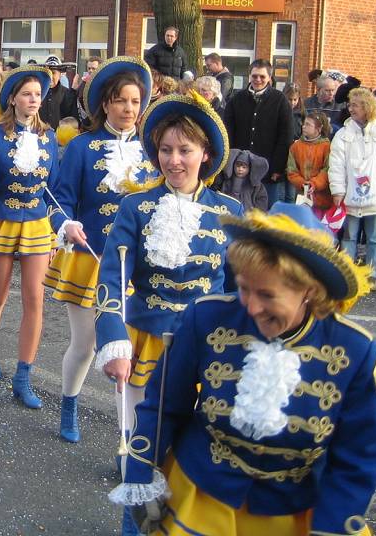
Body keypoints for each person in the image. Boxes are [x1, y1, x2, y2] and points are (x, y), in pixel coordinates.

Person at [115, 202, 376, 536]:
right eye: (244, 288)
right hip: (200, 495)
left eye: (268, 295)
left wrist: (333, 526)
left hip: (295, 511)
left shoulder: (355, 350)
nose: (252, 307)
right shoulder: (206, 317)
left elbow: (358, 456)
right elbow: (164, 405)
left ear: (309, 292)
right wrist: (141, 472)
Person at [96, 91, 243, 469]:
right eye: (165, 150)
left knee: (193, 454)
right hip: (146, 338)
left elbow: (239, 289)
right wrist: (113, 338)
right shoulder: (135, 207)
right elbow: (112, 275)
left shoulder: (230, 211)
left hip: (206, 343)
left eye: (184, 150)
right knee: (139, 455)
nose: (173, 160)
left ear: (205, 154)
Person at [44, 57, 155, 442]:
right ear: (105, 103)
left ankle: (128, 437)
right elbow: (59, 201)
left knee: (128, 350)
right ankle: (69, 403)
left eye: (135, 102)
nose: (129, 109)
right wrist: (66, 225)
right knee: (86, 344)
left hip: (136, 268)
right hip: (88, 259)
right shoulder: (81, 147)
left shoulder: (151, 150)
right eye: (121, 100)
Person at [0, 65, 59, 409]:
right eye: (27, 94)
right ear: (12, 99)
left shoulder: (50, 137)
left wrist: (56, 232)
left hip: (37, 223)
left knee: (35, 300)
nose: (34, 100)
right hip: (3, 222)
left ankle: (23, 377)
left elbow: (54, 190)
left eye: (38, 94)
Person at [328, 88, 376, 285]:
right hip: (350, 196)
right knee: (349, 236)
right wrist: (338, 191)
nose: (351, 109)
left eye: (355, 105)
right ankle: (348, 274)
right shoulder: (342, 134)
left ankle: (372, 274)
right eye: (350, 105)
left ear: (367, 107)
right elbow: (336, 165)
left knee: (374, 237)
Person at [223, 59, 294, 206]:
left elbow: (286, 136)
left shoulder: (280, 100)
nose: (258, 80)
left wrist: (278, 167)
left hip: (268, 170)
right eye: (254, 76)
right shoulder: (236, 99)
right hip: (240, 170)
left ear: (269, 77)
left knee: (266, 212)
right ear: (249, 76)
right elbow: (228, 132)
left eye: (262, 76)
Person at [286, 111, 333, 217]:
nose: (303, 126)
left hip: (322, 198)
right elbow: (291, 170)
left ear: (318, 129)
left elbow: (327, 169)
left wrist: (314, 184)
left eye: (308, 124)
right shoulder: (296, 146)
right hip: (302, 197)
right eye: (304, 124)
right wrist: (302, 183)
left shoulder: (327, 146)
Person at [216, 148, 269, 212]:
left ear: (249, 168)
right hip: (226, 211)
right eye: (238, 166)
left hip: (247, 215)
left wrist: (256, 212)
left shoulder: (255, 185)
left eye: (244, 167)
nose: (240, 169)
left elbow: (262, 199)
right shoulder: (226, 180)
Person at [38, 55, 78, 130]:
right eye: (47, 73)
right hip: (38, 134)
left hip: (60, 135)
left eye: (53, 73)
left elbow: (72, 120)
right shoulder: (37, 94)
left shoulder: (67, 94)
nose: (50, 76)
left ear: (60, 75)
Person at [304, 72, 346, 137]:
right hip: (311, 140)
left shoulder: (341, 105)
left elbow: (345, 127)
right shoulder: (307, 104)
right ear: (318, 90)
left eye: (333, 90)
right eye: (327, 90)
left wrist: (332, 127)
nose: (331, 93)